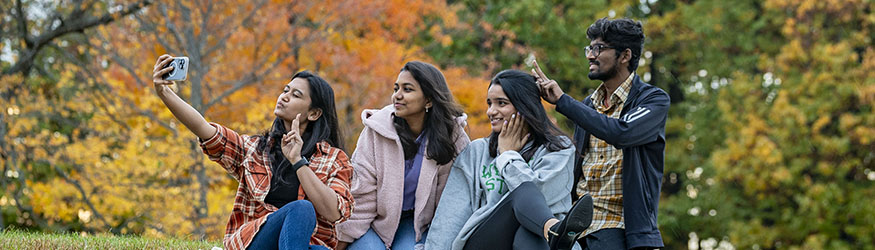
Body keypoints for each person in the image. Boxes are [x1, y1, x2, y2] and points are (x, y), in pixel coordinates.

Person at [151, 54, 354, 250]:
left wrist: (297, 161)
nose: (284, 97)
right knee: (302, 209)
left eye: (295, 95)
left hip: (304, 245)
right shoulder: (255, 149)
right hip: (256, 242)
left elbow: (333, 212)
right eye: (285, 90)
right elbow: (205, 130)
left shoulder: (334, 159)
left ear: (314, 113)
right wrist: (165, 93)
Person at [534, 17, 670, 250]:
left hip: (619, 227)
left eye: (599, 48)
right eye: (590, 48)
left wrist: (563, 101)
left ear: (625, 55)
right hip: (573, 227)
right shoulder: (588, 106)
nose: (590, 55)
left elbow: (621, 133)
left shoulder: (653, 100)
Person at [425, 69, 594, 250]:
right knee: (520, 195)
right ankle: (553, 229)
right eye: (489, 103)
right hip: (484, 240)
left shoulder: (558, 150)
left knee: (528, 230)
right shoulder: (477, 150)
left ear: (524, 106)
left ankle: (552, 232)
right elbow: (452, 212)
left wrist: (508, 156)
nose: (491, 111)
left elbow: (540, 199)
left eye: (501, 103)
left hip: (535, 239)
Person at [336, 61, 471, 250]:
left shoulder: (453, 137)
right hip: (375, 220)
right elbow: (362, 193)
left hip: (418, 224)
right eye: (396, 88)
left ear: (429, 100)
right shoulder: (376, 131)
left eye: (407, 89)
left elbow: (451, 202)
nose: (397, 95)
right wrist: (342, 239)